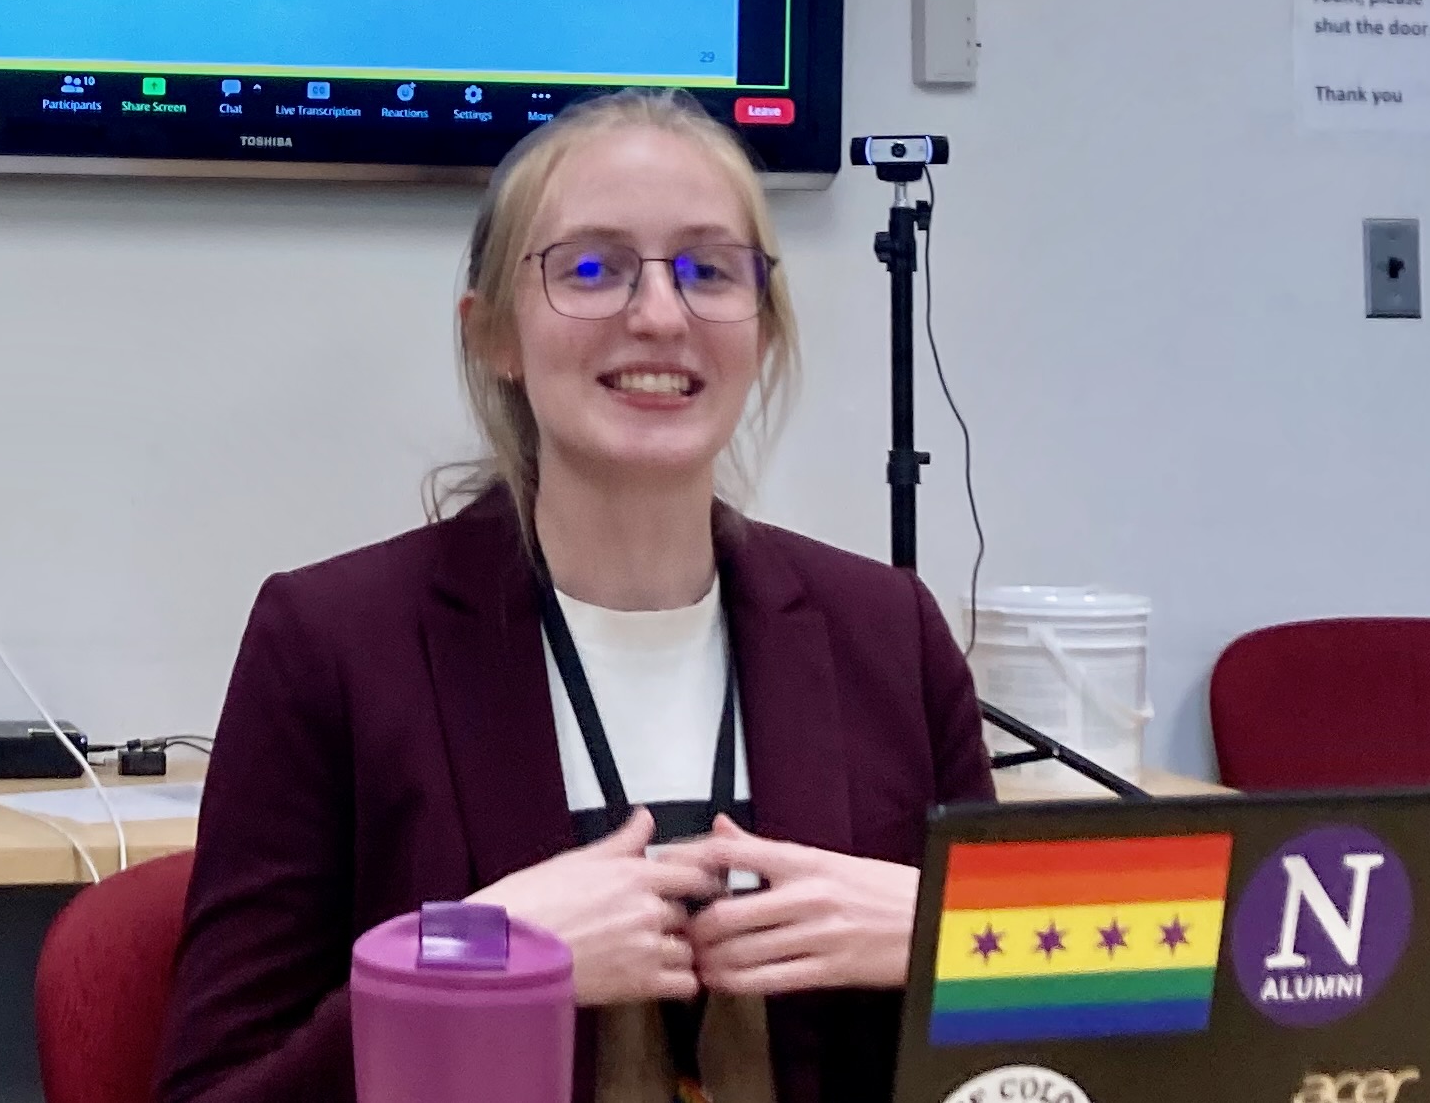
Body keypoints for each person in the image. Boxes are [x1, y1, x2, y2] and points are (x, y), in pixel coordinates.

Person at [156, 90, 994, 1103]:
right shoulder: (331, 643)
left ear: (762, 331)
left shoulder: (889, 634)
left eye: (710, 269)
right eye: (591, 268)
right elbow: (213, 1090)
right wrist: (477, 953)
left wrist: (947, 934)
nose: (658, 314)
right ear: (493, 335)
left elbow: (1070, 1047)